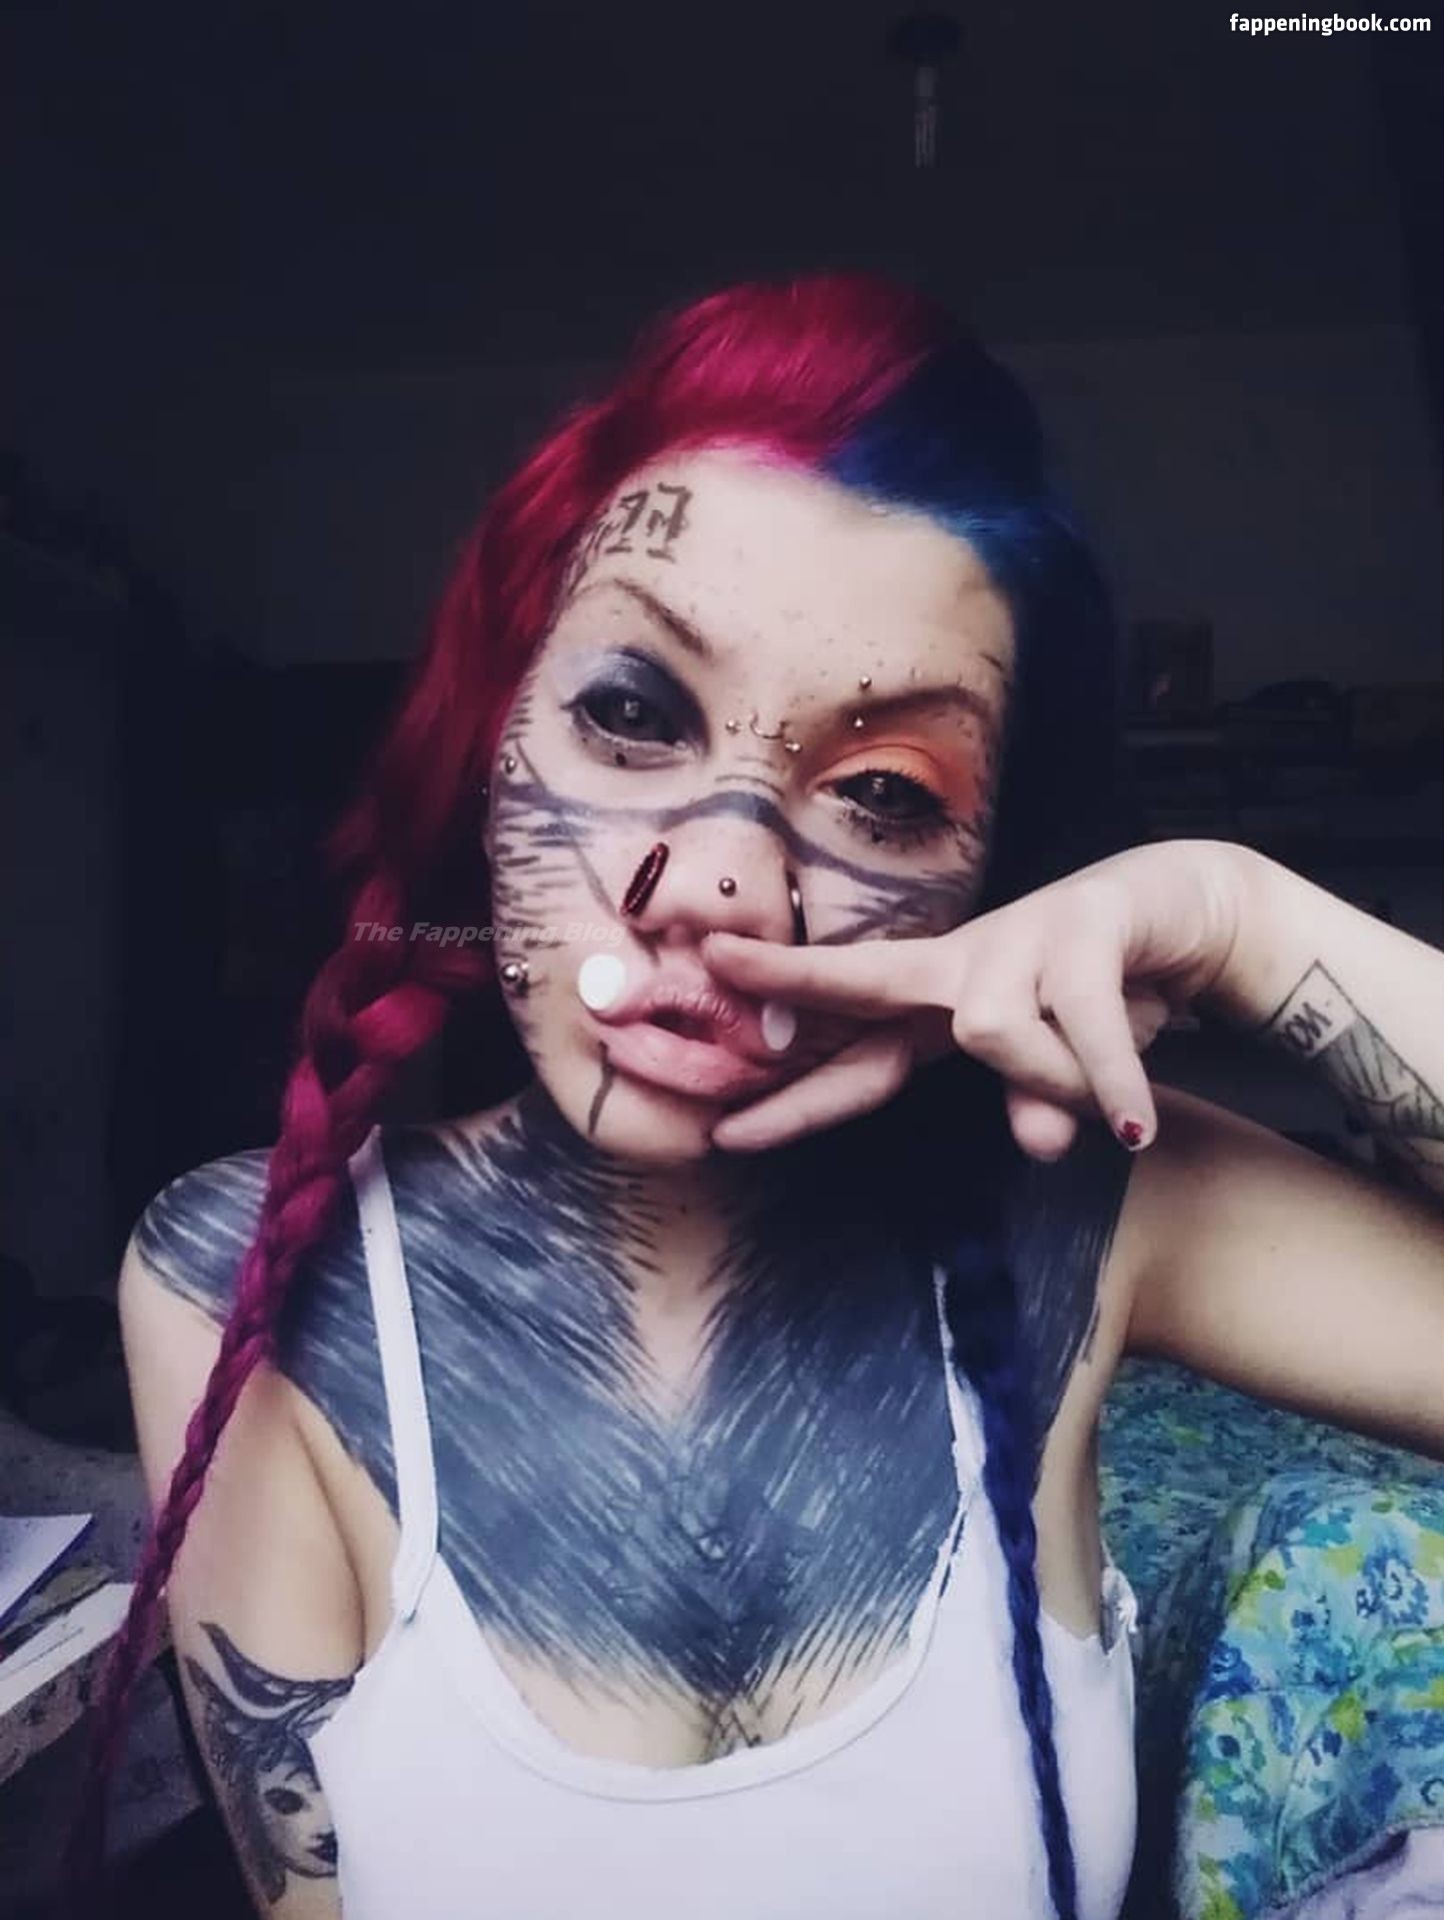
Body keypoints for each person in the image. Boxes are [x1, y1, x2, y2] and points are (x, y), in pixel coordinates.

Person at [70, 274, 1444, 1920]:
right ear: (493, 736)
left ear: (989, 879)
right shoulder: (248, 1280)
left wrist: (1243, 919)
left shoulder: (1086, 1199)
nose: (724, 879)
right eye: (630, 712)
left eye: (885, 793)